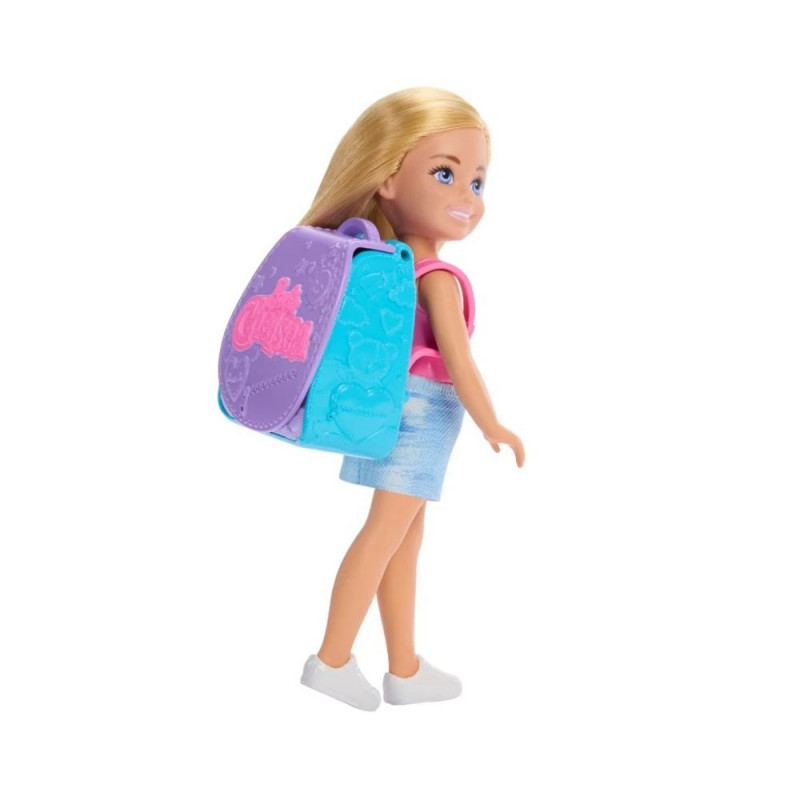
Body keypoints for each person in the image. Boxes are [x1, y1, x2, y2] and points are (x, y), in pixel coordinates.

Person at [297, 87, 525, 711]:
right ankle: (331, 660)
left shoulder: (386, 268)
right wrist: (493, 423)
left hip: (386, 408)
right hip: (423, 415)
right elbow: (460, 364)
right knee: (383, 537)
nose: (467, 197)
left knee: (401, 541)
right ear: (388, 179)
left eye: (477, 182)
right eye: (445, 174)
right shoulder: (437, 278)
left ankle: (404, 668)